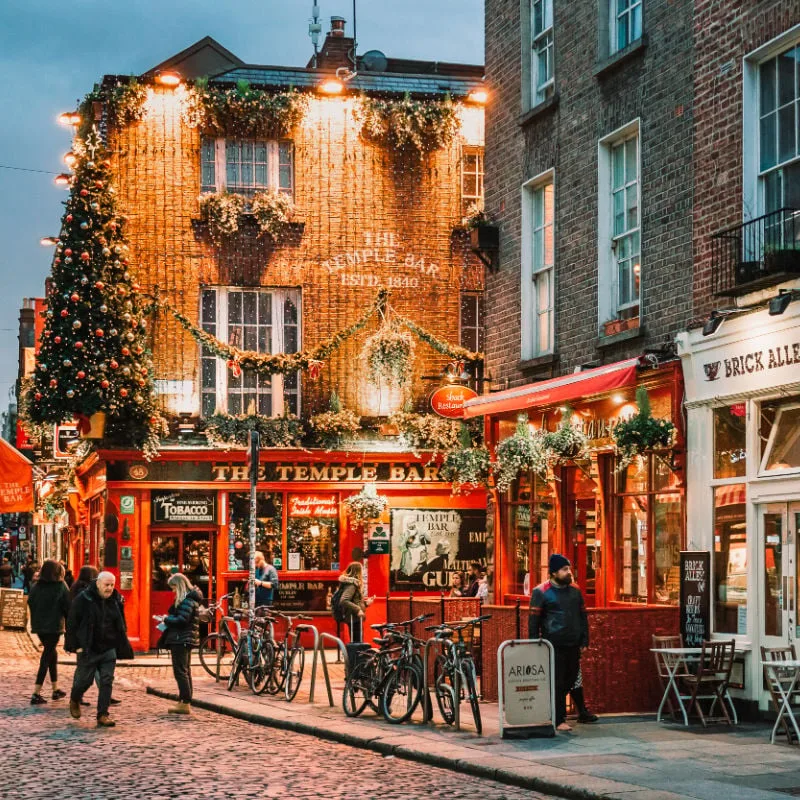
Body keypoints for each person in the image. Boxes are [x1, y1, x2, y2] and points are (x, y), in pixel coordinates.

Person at [529, 554, 589, 732]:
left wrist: (585, 639)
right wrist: (535, 643)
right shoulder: (541, 591)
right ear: (554, 572)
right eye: (564, 569)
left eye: (569, 568)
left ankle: (554, 712)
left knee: (571, 678)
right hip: (553, 643)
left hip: (573, 643)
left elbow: (583, 616)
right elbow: (534, 621)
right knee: (558, 681)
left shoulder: (575, 590)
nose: (568, 572)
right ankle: (558, 718)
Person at [65, 571, 133, 727]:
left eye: (111, 585)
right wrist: (75, 646)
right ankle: (75, 698)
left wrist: (121, 642)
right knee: (84, 681)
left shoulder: (116, 599)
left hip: (109, 647)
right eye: (106, 585)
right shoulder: (84, 599)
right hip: (89, 647)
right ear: (98, 583)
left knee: (107, 681)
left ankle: (103, 714)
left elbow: (120, 622)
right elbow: (72, 623)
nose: (109, 588)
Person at [155, 573, 203, 715]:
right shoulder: (190, 600)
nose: (173, 591)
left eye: (173, 587)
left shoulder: (186, 601)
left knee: (180, 671)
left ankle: (185, 702)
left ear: (179, 585)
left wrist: (167, 619)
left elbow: (182, 620)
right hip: (185, 639)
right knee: (185, 670)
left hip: (181, 639)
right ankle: (184, 701)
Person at [27, 559, 70, 705]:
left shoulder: (36, 586)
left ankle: (55, 689)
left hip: (39, 627)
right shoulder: (60, 586)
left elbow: (30, 602)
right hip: (54, 627)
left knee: (51, 653)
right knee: (46, 656)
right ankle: (36, 692)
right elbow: (68, 606)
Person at [337, 562, 374, 644]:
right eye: (362, 570)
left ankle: (356, 656)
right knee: (357, 642)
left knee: (358, 641)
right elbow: (344, 600)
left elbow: (355, 601)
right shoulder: (352, 585)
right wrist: (358, 610)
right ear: (357, 571)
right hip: (353, 618)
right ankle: (355, 656)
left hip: (355, 617)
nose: (363, 572)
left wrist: (366, 603)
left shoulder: (353, 584)